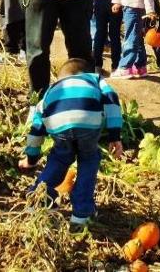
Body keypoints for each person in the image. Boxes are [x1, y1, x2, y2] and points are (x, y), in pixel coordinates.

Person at [18, 58, 123, 227]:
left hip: (57, 124)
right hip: (88, 122)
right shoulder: (94, 79)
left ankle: (38, 201)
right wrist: (114, 135)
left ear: (59, 78)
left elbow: (36, 127)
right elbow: (111, 98)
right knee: (88, 160)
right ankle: (81, 214)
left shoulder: (52, 90)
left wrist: (31, 159)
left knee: (59, 159)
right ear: (87, 73)